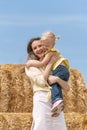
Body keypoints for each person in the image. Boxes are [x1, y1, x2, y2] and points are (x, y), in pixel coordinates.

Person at [25, 37, 69, 130]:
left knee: (59, 126)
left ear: (45, 46)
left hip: (56, 101)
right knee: (42, 124)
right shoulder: (31, 65)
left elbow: (67, 87)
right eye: (35, 48)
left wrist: (57, 79)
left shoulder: (56, 66)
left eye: (40, 46)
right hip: (41, 99)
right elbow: (42, 81)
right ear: (32, 52)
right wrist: (50, 63)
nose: (38, 49)